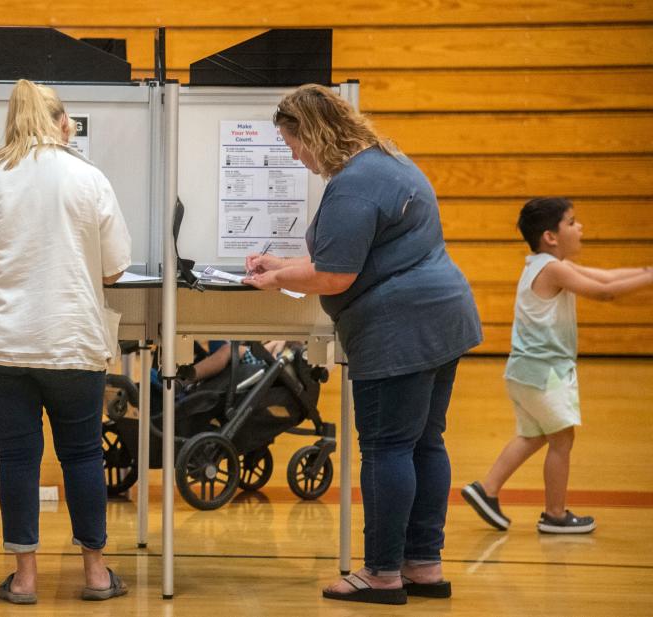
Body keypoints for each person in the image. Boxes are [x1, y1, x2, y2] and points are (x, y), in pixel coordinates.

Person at [244, 84, 482, 605]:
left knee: (387, 447)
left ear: (313, 133)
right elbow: (357, 257)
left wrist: (270, 279)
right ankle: (422, 565)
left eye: (292, 143)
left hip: (399, 329)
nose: (293, 155)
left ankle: (380, 574)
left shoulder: (353, 184)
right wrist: (282, 266)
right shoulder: (387, 162)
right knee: (424, 442)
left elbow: (334, 274)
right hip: (443, 317)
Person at [0, 79, 132, 604]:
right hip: (71, 340)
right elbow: (114, 270)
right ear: (65, 123)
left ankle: (25, 579)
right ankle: (95, 573)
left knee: (18, 457)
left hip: (0, 344)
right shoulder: (90, 179)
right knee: (82, 454)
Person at [462, 197, 653, 534]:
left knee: (533, 435)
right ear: (551, 236)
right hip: (545, 372)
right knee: (562, 439)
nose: (580, 228)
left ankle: (486, 489)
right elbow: (605, 292)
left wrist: (645, 272)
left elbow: (607, 276)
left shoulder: (545, 265)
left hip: (525, 372)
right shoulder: (552, 268)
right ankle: (555, 515)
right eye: (572, 222)